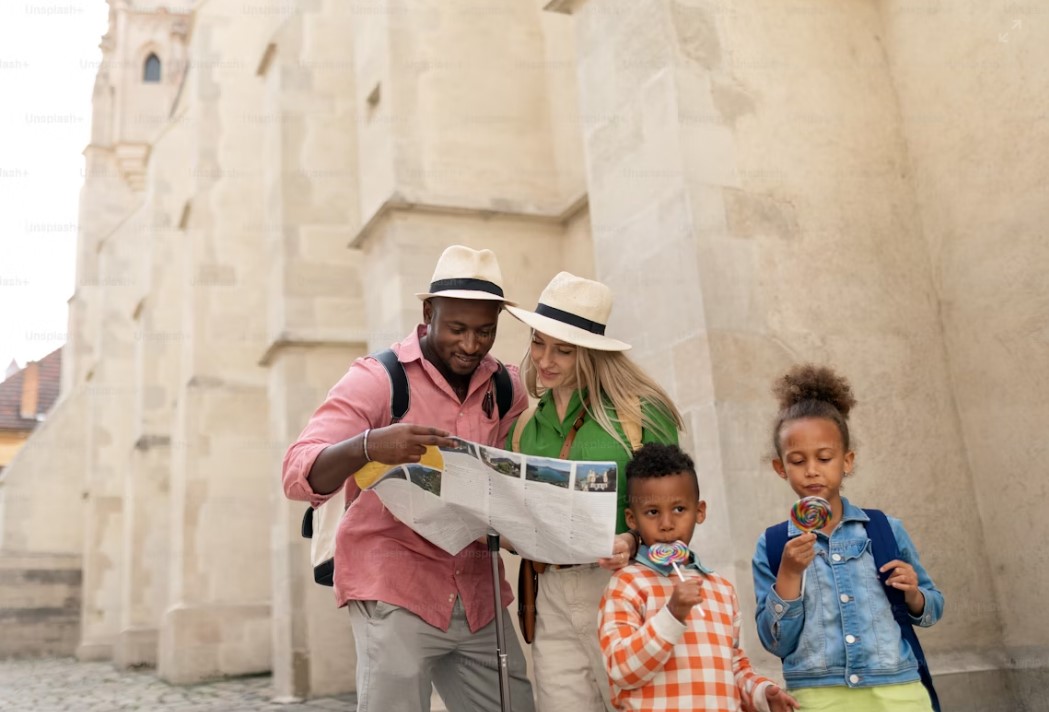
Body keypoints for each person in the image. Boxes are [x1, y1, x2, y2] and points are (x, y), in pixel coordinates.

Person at [282, 245, 535, 712]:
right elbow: (298, 470)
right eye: (457, 328)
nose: (471, 345)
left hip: (479, 593)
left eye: (485, 331)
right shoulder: (378, 378)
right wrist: (369, 446)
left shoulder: (507, 386)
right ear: (428, 313)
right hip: (394, 591)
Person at [503, 272, 683, 712]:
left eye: (563, 350)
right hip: (550, 592)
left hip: (626, 585)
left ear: (592, 352)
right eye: (538, 342)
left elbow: (675, 511)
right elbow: (512, 513)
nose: (545, 359)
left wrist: (633, 539)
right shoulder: (524, 426)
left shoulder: (641, 414)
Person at [751, 364, 944, 711]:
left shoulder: (884, 529)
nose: (812, 469)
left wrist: (913, 593)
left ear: (847, 461)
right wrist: (790, 573)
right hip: (817, 696)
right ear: (781, 468)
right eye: (797, 461)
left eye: (824, 458)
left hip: (898, 690)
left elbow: (933, 608)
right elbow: (774, 641)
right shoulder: (774, 544)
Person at [599, 443, 799, 712]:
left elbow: (733, 667)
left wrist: (763, 692)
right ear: (631, 520)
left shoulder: (720, 589)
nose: (667, 524)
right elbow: (622, 670)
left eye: (679, 509)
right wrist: (672, 614)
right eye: (652, 512)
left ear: (700, 511)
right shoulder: (626, 585)